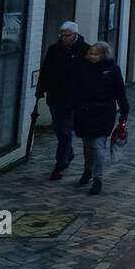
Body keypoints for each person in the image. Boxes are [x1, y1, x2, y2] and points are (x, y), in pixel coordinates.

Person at [74, 42, 129, 196]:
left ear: (104, 55)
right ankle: (88, 170)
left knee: (98, 145)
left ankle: (97, 179)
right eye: (90, 53)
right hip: (84, 112)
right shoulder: (83, 68)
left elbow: (120, 92)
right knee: (87, 145)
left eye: (95, 54)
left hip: (104, 113)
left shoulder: (112, 70)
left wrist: (124, 112)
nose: (91, 56)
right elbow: (76, 90)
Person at [37, 21, 88, 180]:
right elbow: (45, 70)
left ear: (74, 34)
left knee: (65, 130)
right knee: (58, 127)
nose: (63, 38)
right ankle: (68, 153)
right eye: (61, 35)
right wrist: (41, 88)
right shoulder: (54, 50)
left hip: (72, 97)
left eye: (66, 35)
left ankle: (60, 163)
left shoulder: (85, 50)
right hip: (55, 95)